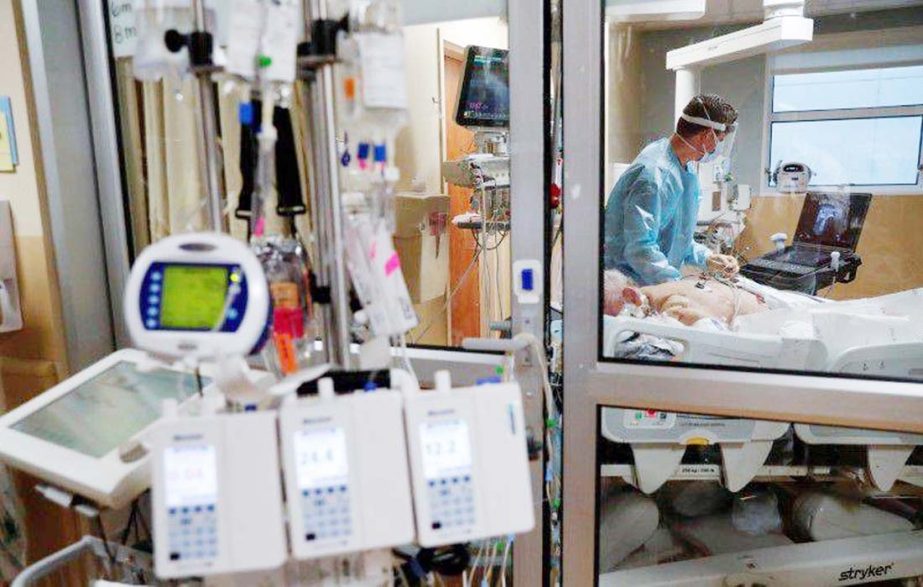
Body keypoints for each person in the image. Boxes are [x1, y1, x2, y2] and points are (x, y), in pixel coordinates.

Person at [604, 94, 741, 286]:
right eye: (720, 139)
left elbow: (677, 237)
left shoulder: (685, 169)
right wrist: (677, 287)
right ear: (708, 135)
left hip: (650, 280)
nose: (719, 146)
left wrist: (707, 258)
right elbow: (640, 249)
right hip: (627, 284)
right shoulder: (655, 175)